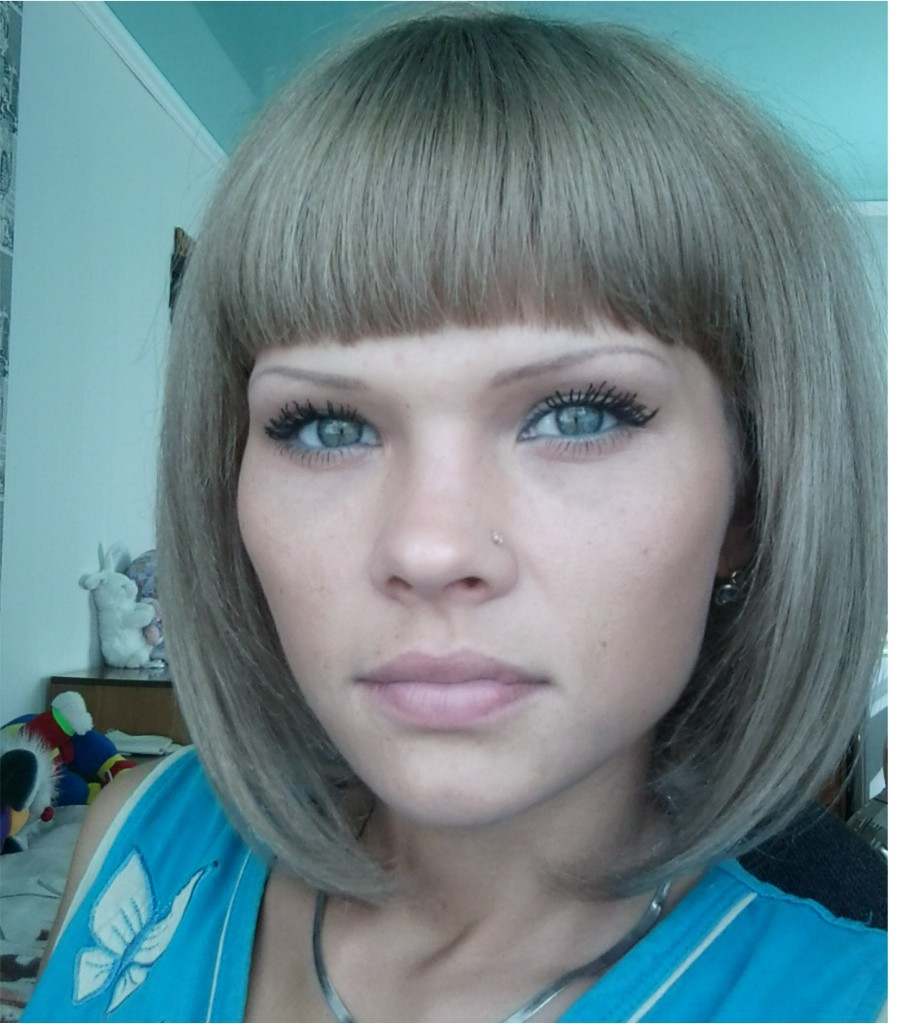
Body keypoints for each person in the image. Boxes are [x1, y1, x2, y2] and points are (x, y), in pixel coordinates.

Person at [24, 8, 886, 1022]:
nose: (427, 548)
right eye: (327, 425)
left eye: (576, 414)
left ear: (751, 494)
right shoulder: (129, 838)